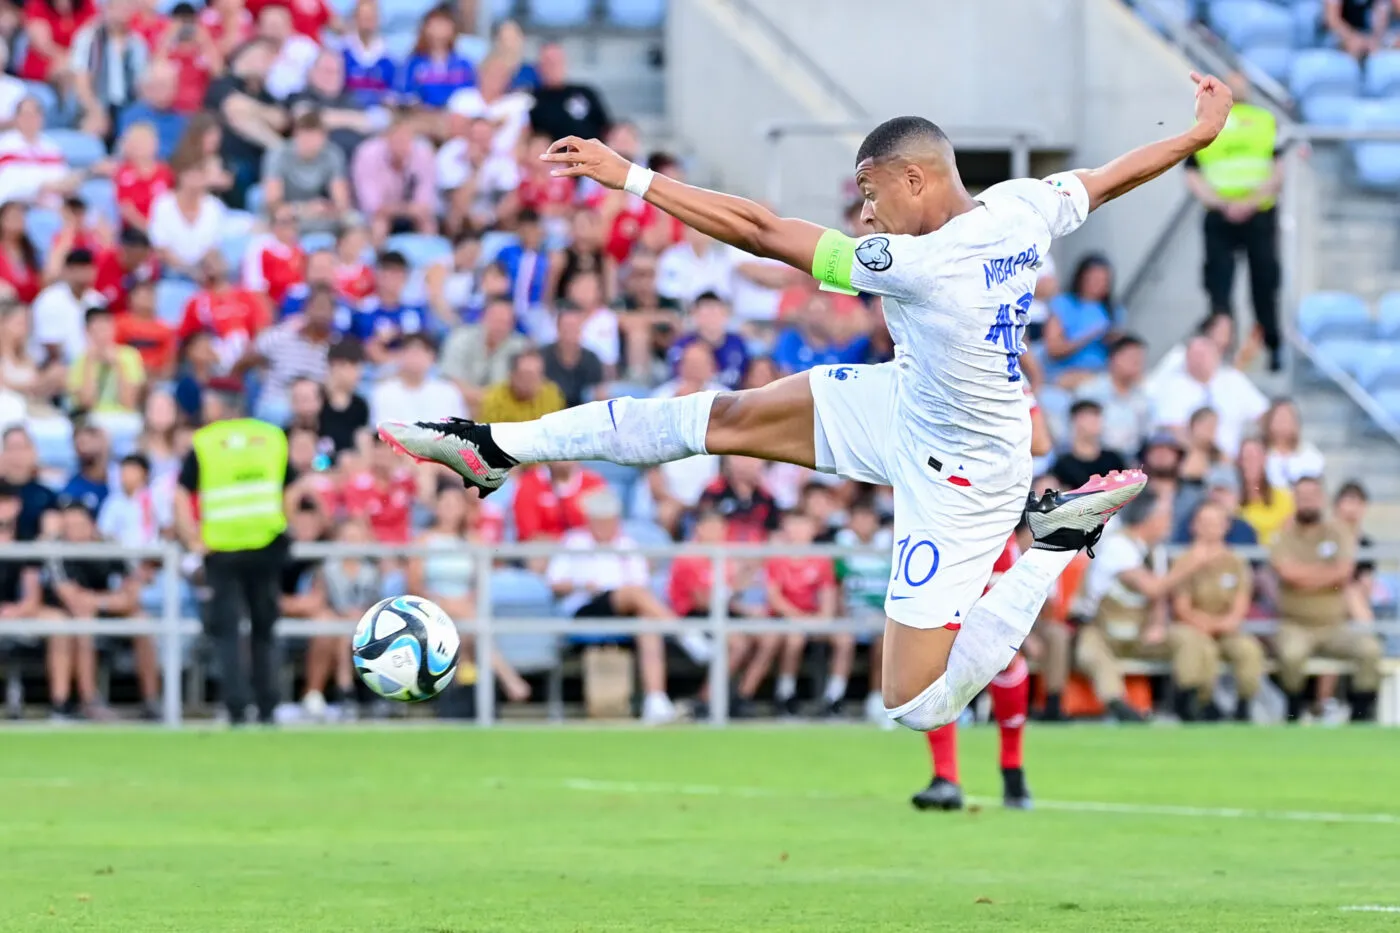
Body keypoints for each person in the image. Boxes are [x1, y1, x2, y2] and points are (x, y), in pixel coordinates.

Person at [382, 73, 1235, 733]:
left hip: (965, 476)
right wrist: (1196, 135)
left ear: (914, 177)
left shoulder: (916, 263)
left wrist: (631, 177)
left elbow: (758, 230)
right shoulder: (1022, 207)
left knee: (915, 705)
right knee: (718, 418)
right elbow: (1110, 175)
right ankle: (496, 446)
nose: (864, 210)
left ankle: (1054, 544)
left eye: (870, 191)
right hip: (911, 404)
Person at [173, 381, 294, 725]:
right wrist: (284, 520)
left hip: (221, 549)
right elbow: (294, 484)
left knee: (227, 632)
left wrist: (193, 538)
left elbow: (180, 494)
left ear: (221, 405)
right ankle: (269, 707)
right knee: (264, 630)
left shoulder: (206, 443)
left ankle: (237, 708)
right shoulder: (272, 438)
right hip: (266, 544)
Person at [914, 526, 1035, 811]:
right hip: (938, 536)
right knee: (933, 661)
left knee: (1003, 657)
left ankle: (1012, 767)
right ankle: (945, 778)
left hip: (986, 528)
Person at [1072, 488, 1208, 722]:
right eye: (1165, 516)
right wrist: (1191, 564)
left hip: (1139, 631)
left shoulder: (1157, 551)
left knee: (1189, 638)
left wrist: (1157, 624)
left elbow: (1159, 596)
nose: (1169, 522)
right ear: (1149, 518)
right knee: (1092, 652)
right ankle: (1118, 706)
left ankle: (1188, 701)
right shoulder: (1117, 546)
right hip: (1103, 631)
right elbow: (1151, 587)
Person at [1184, 73, 1283, 371]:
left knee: (1264, 282)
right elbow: (1192, 172)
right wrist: (1221, 203)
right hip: (1220, 215)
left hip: (1258, 214)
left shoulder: (1265, 120)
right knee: (1219, 287)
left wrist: (1249, 202)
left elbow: (1278, 168)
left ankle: (1271, 345)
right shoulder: (1205, 123)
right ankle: (1221, 348)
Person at [1271, 476, 1382, 723]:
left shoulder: (1337, 532)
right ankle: (1293, 715)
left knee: (1369, 649)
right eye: (1303, 496)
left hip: (1334, 625)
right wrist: (1325, 574)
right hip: (1295, 624)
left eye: (1313, 495)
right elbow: (1286, 572)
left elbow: (1343, 572)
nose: (1308, 501)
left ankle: (1361, 718)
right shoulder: (1283, 534)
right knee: (1290, 654)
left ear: (1321, 499)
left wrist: (1303, 575)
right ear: (1295, 500)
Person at [1170, 499, 1265, 722]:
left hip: (1225, 627)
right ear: (1194, 526)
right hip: (1192, 626)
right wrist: (1204, 624)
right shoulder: (1182, 561)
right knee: (1200, 648)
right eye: (1204, 522)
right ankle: (1198, 705)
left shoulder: (1236, 562)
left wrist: (1223, 624)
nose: (1209, 528)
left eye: (1215, 522)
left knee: (1248, 650)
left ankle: (1244, 706)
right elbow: (1181, 607)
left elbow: (1239, 606)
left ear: (1226, 526)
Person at [1042, 254, 1124, 388]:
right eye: (1094, 279)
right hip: (1066, 373)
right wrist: (1089, 336)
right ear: (1081, 278)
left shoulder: (1114, 311)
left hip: (1102, 372)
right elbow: (1053, 349)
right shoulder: (1062, 304)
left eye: (1104, 280)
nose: (1099, 284)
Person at [1050, 400, 1127, 490]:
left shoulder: (1113, 460)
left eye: (1097, 415)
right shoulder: (1062, 465)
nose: (1096, 420)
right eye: (1089, 416)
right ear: (1075, 420)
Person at [478, 348, 565, 424]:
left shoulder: (552, 395)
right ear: (512, 375)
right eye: (524, 375)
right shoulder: (493, 399)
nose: (528, 381)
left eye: (534, 376)